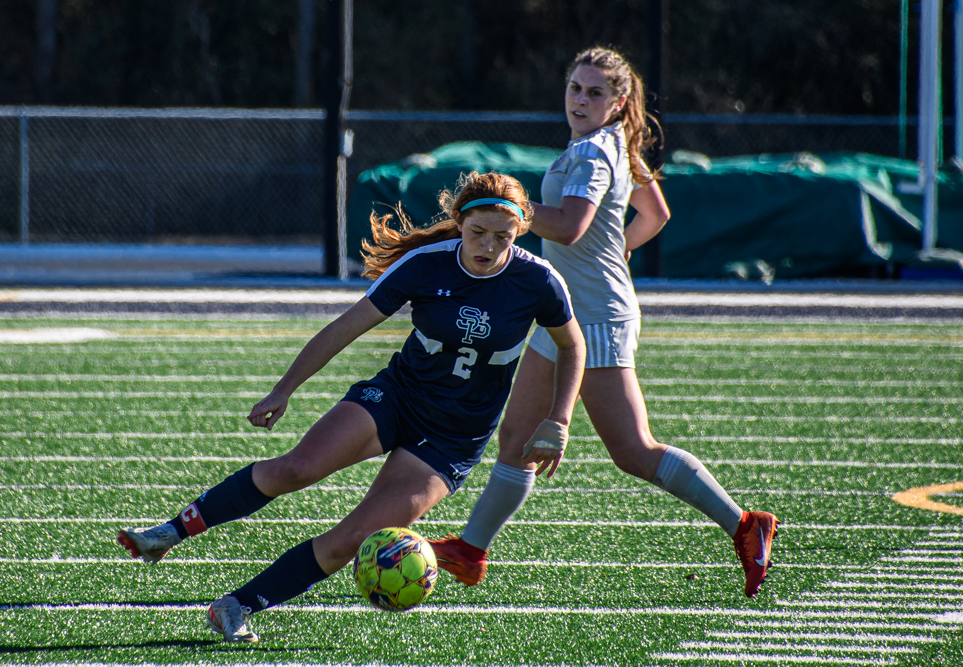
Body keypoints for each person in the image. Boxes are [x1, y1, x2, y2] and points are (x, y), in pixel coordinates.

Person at [115, 171, 586, 642]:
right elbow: (345, 328)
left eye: (501, 237)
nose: (487, 246)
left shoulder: (538, 280)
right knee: (296, 467)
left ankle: (235, 606)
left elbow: (573, 346)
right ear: (459, 223)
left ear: (520, 232)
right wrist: (284, 389)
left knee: (354, 538)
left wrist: (558, 419)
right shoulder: (427, 264)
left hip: (453, 438)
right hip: (398, 397)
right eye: (477, 232)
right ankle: (170, 533)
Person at [429, 48, 779, 598]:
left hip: (594, 318)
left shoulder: (595, 152)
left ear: (617, 101)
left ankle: (744, 525)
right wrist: (616, 252)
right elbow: (655, 216)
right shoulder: (614, 143)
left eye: (594, 92)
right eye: (574, 88)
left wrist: (505, 206)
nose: (580, 100)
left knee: (634, 450)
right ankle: (472, 550)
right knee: (518, 436)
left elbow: (569, 227)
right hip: (564, 310)